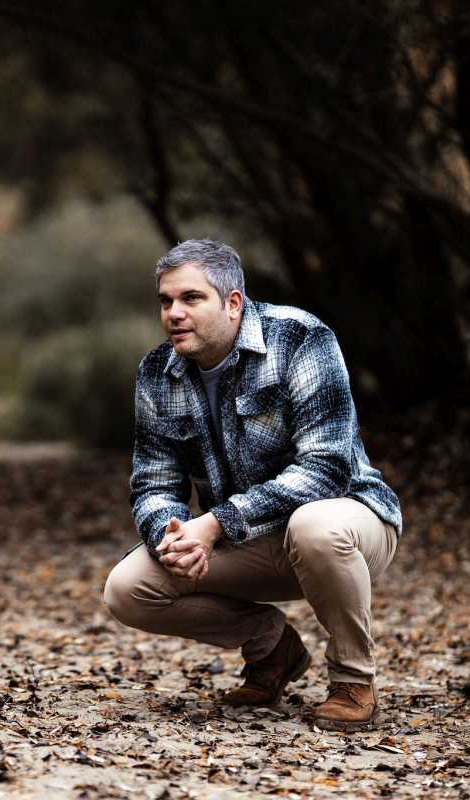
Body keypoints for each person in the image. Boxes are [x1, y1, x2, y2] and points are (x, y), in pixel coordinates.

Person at [103, 239, 402, 731]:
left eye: (191, 299)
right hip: (248, 542)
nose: (174, 313)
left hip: (347, 525)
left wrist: (217, 522)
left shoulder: (301, 339)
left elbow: (326, 468)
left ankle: (353, 680)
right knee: (128, 589)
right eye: (165, 301)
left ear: (233, 302)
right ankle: (273, 646)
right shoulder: (158, 373)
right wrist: (173, 536)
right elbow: (154, 482)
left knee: (314, 525)